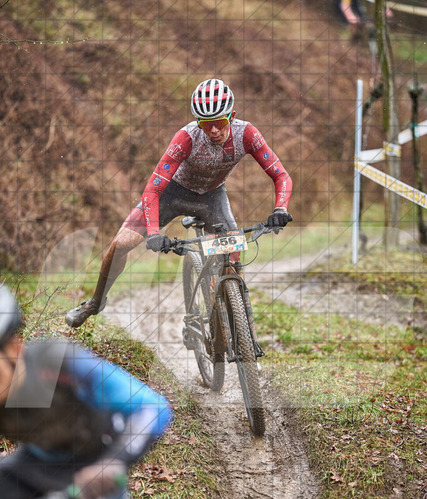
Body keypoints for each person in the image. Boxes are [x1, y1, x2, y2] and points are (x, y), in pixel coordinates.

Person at [0, 284, 173, 499]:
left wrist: (112, 465)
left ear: (14, 348)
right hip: (37, 464)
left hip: (98, 464)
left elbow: (151, 408)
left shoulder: (56, 361)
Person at [65, 77, 293, 328]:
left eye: (219, 122)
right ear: (198, 122)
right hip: (173, 194)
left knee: (232, 263)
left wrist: (280, 208)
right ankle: (95, 303)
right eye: (205, 124)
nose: (213, 130)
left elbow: (281, 175)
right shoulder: (186, 137)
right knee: (120, 244)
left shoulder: (246, 134)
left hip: (212, 198)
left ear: (232, 116)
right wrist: (154, 233)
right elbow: (153, 189)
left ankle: (239, 333)